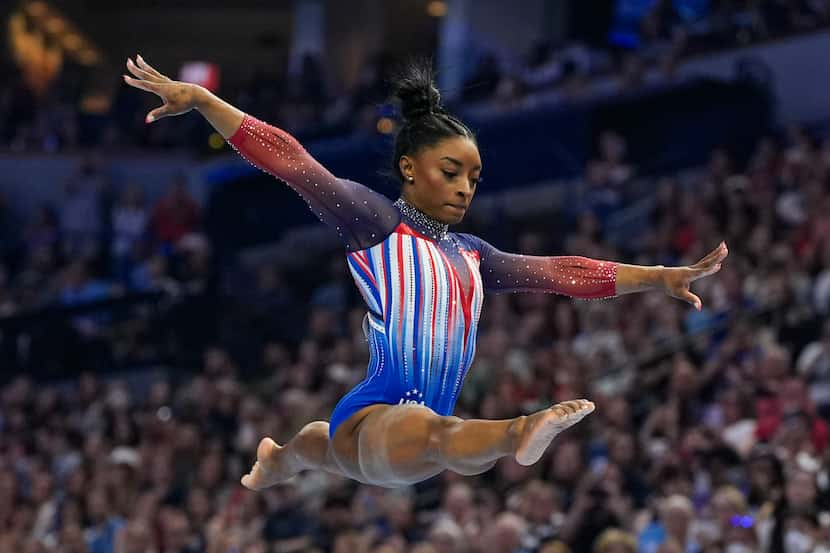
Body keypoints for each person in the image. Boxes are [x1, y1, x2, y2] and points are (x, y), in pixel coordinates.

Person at [123, 55, 728, 489]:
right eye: (450, 171)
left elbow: (562, 272)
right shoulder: (377, 222)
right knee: (441, 437)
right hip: (384, 414)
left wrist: (656, 277)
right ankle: (518, 431)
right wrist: (204, 101)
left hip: (388, 431)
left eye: (473, 177)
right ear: (410, 169)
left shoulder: (475, 256)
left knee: (346, 448)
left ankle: (281, 459)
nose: (465, 187)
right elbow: (295, 163)